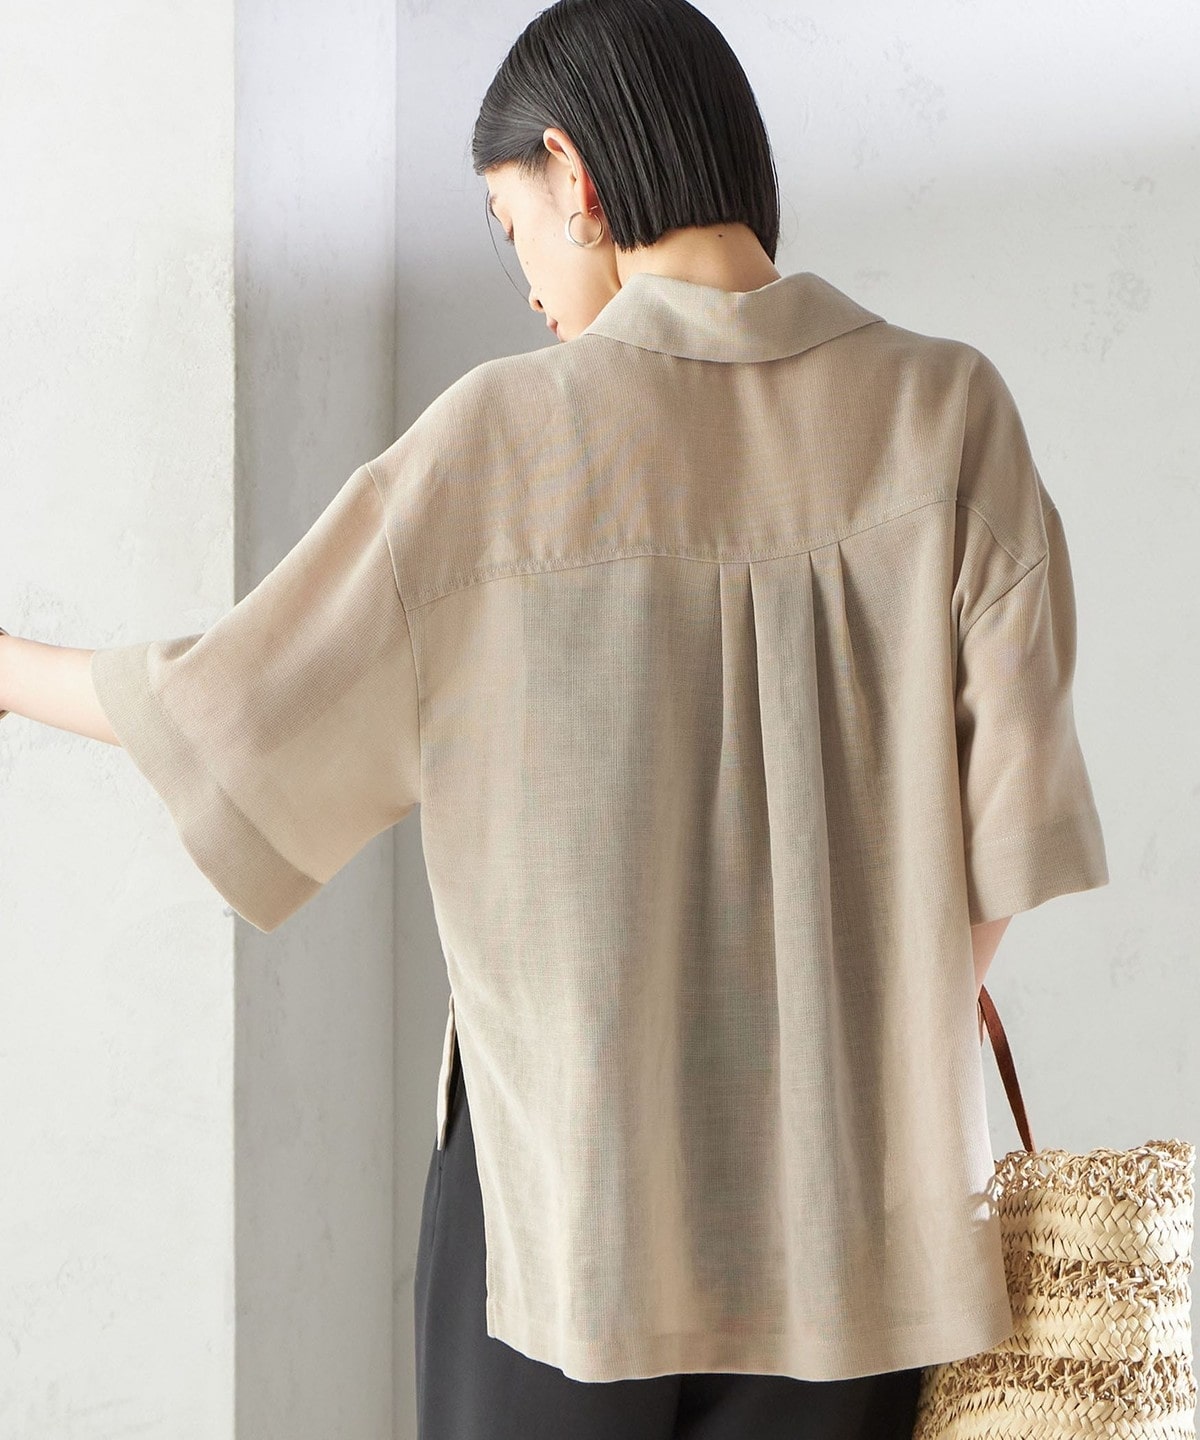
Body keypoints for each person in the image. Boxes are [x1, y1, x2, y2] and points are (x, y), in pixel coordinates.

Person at [0, 0, 1110, 1435]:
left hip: (557, 1209)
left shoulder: (500, 443)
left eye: (509, 224)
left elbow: (231, 700)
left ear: (574, 174)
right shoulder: (949, 415)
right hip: (858, 1232)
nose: (526, 283)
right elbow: (1002, 849)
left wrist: (11, 668)